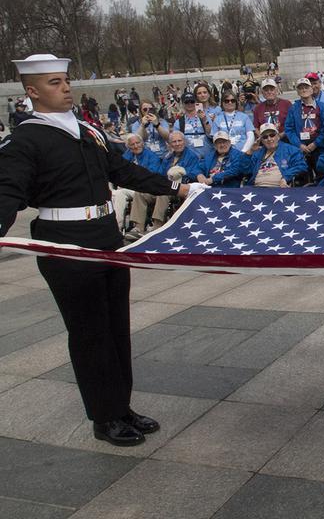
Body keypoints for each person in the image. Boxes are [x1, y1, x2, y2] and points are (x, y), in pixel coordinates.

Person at [0, 53, 204, 447]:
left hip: (105, 235)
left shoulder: (85, 130)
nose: (66, 87)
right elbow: (7, 190)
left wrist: (175, 188)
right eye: (55, 82)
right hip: (65, 241)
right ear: (32, 91)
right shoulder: (25, 140)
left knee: (115, 327)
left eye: (65, 80)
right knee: (90, 331)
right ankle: (103, 416)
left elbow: (122, 171)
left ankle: (121, 406)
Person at [247, 123, 307, 188]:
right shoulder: (257, 153)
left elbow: (301, 166)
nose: (269, 139)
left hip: (278, 190)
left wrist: (286, 178)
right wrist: (250, 151)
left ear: (278, 136)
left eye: (272, 135)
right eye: (265, 137)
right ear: (262, 140)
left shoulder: (292, 150)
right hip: (256, 189)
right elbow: (245, 170)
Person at [174, 92, 213, 160]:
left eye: (192, 101)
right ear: (183, 104)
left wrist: (204, 120)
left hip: (208, 157)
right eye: (187, 102)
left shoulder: (205, 117)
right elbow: (176, 141)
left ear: (196, 102)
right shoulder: (178, 122)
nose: (190, 104)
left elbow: (211, 135)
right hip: (189, 159)